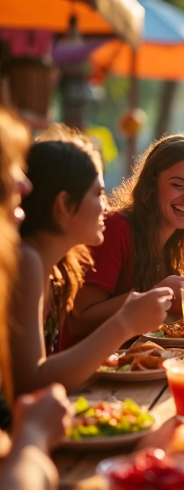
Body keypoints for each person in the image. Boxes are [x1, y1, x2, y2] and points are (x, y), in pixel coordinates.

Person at [9, 137, 173, 397]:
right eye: (97, 194)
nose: (106, 207)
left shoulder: (54, 268)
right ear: (63, 205)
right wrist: (124, 323)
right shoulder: (26, 260)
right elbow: (31, 382)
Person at [61, 133, 184, 350]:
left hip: (140, 368)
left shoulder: (176, 244)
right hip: (90, 374)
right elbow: (78, 321)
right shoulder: (115, 229)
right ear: (152, 183)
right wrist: (154, 294)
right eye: (178, 185)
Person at [0, 106, 69, 490]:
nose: (24, 185)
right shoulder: (25, 262)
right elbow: (32, 382)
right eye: (11, 167)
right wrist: (31, 439)